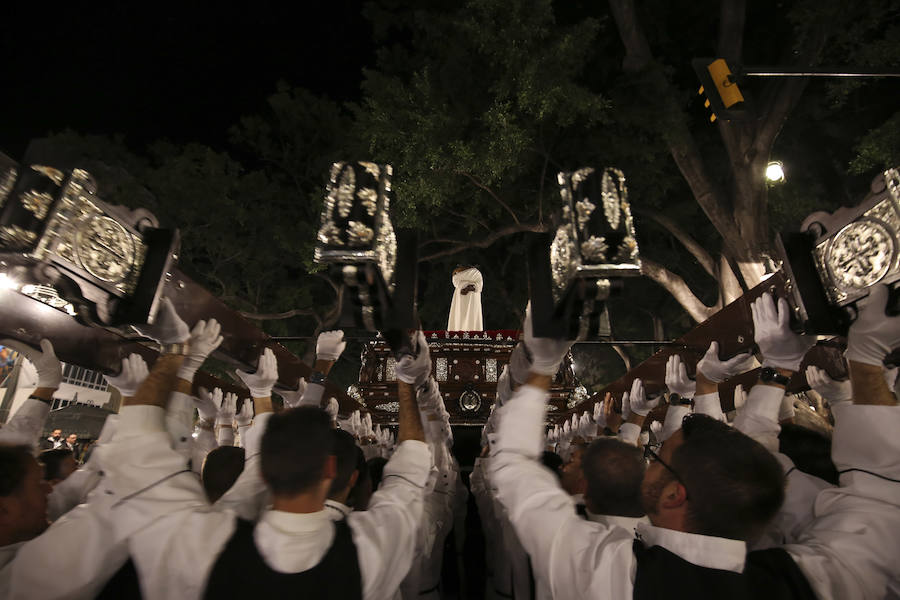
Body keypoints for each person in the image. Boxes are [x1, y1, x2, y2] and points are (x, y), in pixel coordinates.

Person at [97, 299, 433, 600]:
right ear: (330, 470)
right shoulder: (368, 552)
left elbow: (138, 453)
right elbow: (408, 474)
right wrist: (406, 379)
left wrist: (176, 356)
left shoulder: (200, 548)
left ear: (262, 470)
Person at [447, 266, 483, 331]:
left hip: (473, 298)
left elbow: (479, 285)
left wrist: (466, 286)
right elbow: (455, 280)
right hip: (462, 298)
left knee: (471, 318)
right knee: (460, 317)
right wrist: (470, 286)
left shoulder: (477, 274)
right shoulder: (477, 274)